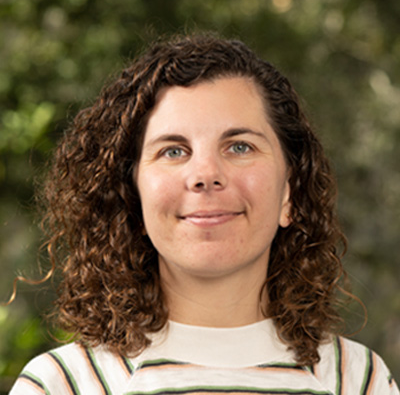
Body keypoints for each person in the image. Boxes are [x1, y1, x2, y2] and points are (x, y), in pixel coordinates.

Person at [9, 33, 399, 395]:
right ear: (131, 196)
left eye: (240, 147)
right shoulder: (62, 385)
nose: (206, 175)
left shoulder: (357, 380)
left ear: (288, 193)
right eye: (173, 151)